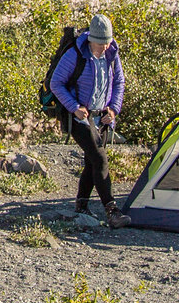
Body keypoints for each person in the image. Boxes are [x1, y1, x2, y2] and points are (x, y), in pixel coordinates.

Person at [48, 14, 129, 227]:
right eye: (100, 43)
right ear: (90, 39)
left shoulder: (112, 54)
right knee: (100, 159)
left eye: (107, 43)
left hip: (101, 117)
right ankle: (112, 211)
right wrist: (75, 108)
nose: (103, 47)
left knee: (91, 161)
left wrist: (114, 109)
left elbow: (119, 82)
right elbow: (56, 83)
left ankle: (81, 205)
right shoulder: (75, 54)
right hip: (79, 119)